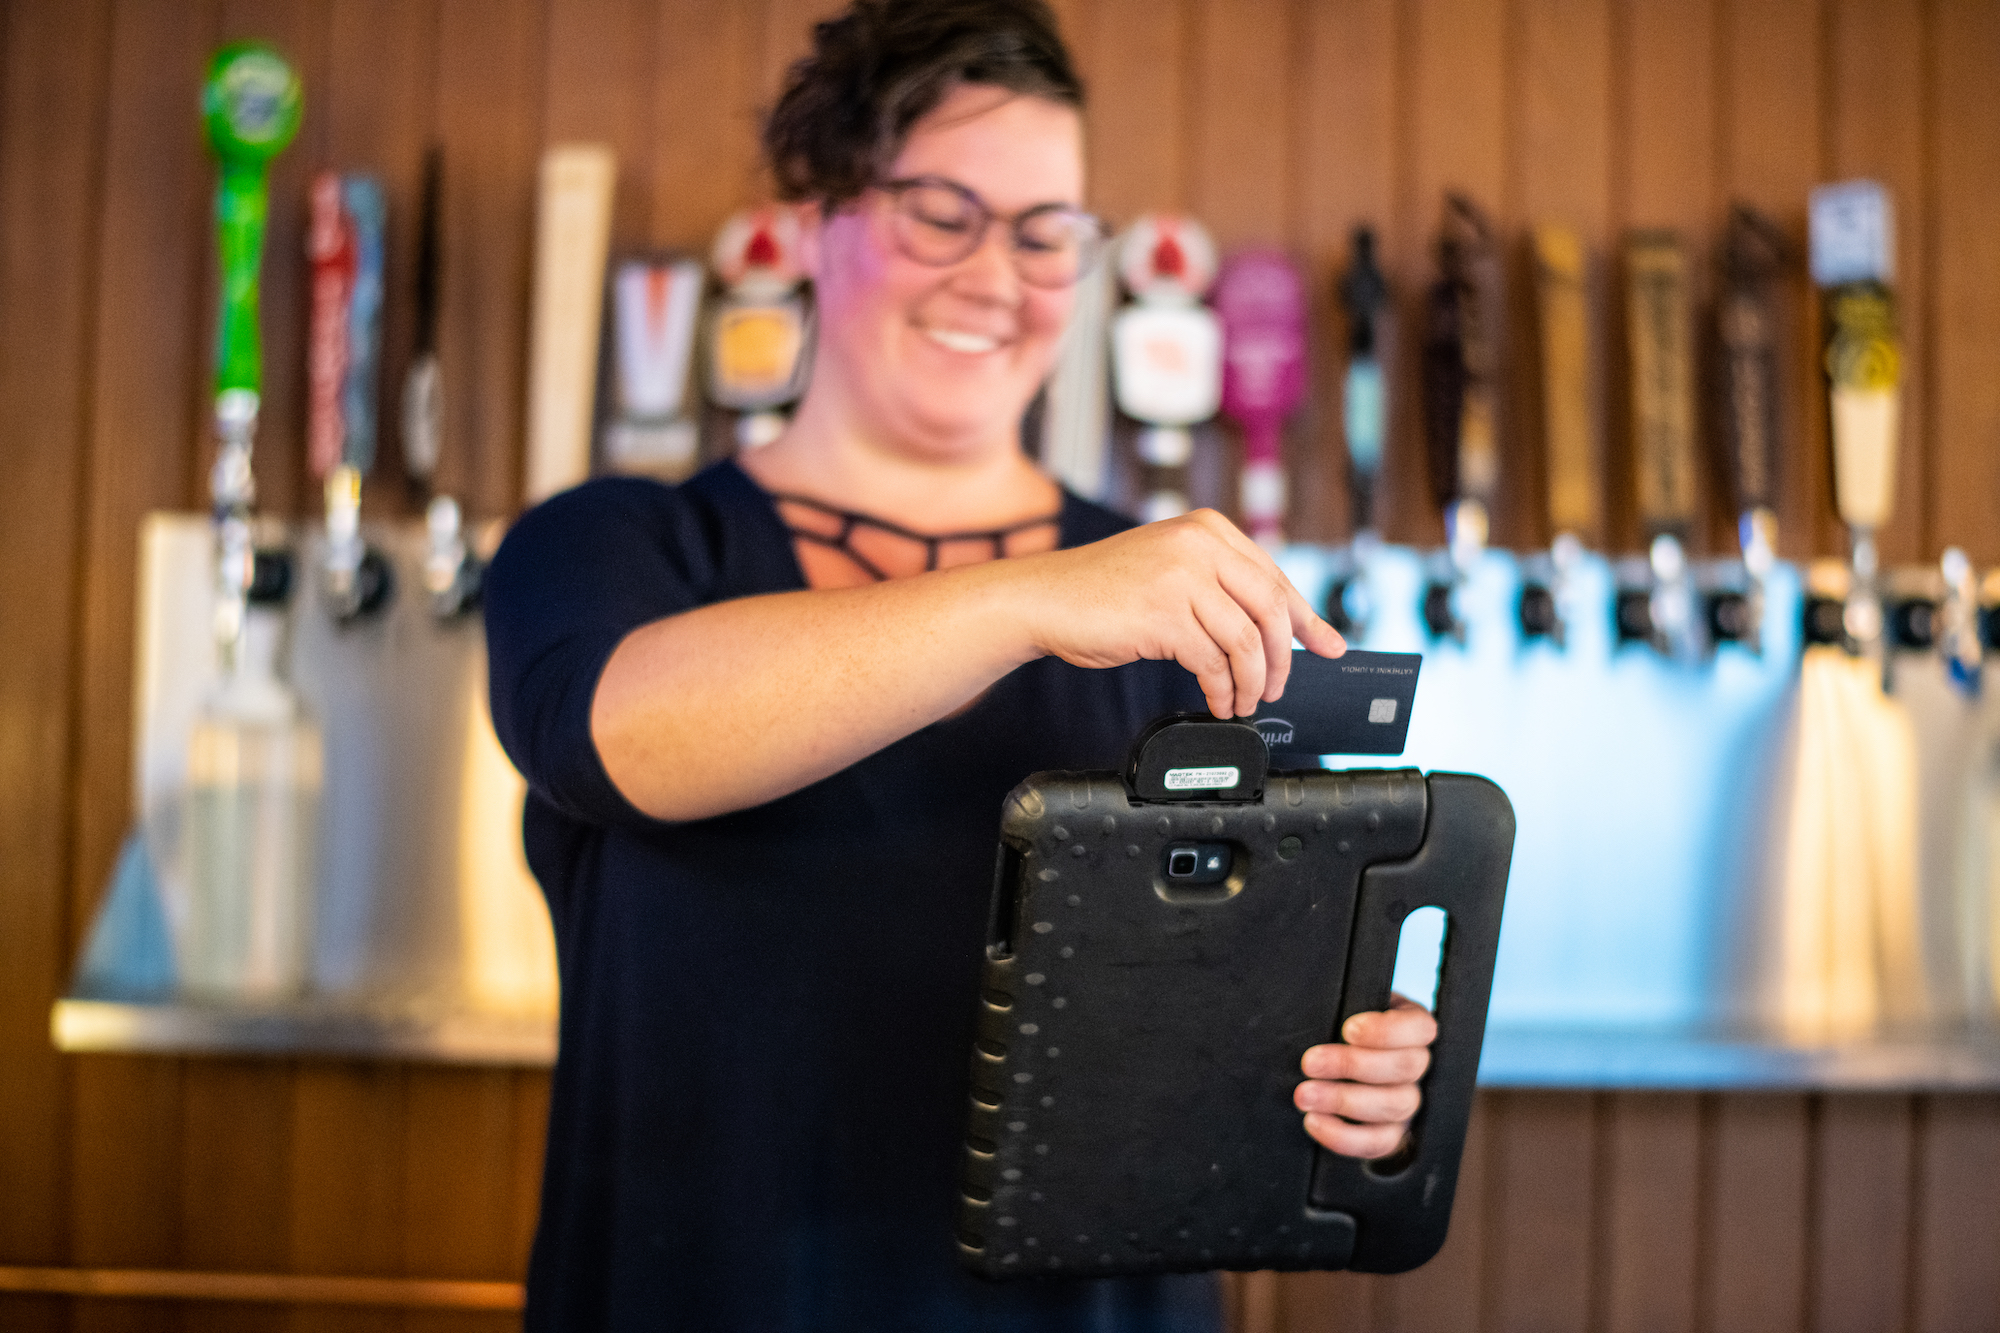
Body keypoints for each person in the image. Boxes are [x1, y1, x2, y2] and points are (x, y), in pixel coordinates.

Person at [485, 2, 1438, 1327]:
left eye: (1048, 233)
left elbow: (1310, 992)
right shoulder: (614, 546)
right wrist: (1031, 598)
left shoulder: (1190, 605)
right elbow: (620, 736)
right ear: (820, 212)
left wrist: (1365, 1073)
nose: (999, 276)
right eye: (942, 211)